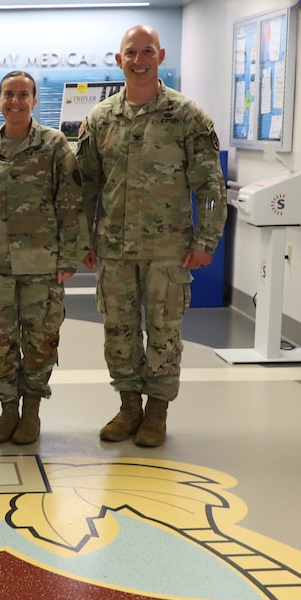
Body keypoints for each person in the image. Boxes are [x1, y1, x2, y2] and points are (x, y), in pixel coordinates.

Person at [77, 24, 227, 448]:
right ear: (119, 59)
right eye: (131, 52)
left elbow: (210, 188)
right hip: (113, 249)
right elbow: (86, 186)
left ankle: (157, 411)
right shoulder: (101, 119)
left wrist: (206, 240)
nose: (138, 60)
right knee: (118, 332)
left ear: (160, 57)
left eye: (147, 52)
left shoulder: (187, 116)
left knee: (164, 333)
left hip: (169, 251)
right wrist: (84, 240)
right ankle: (129, 408)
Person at [0, 71, 82, 445]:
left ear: (34, 101)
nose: (15, 101)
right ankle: (7, 410)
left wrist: (68, 259)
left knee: (40, 338)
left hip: (42, 264)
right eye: (8, 95)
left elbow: (69, 204)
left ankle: (31, 411)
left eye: (23, 95)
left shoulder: (54, 145)